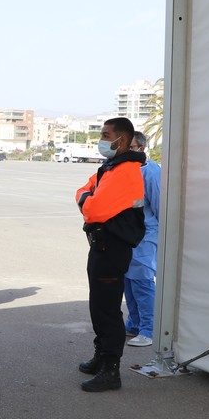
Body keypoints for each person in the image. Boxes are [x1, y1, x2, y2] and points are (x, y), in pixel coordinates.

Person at [75, 117, 146, 392]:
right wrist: (86, 197)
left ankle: (110, 369)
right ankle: (100, 354)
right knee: (98, 305)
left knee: (107, 309)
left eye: (107, 135)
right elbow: (84, 189)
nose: (102, 140)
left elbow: (92, 208)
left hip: (113, 247)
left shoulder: (126, 170)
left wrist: (85, 199)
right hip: (101, 245)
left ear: (123, 140)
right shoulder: (111, 166)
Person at [125, 131, 161, 347]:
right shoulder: (124, 170)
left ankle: (149, 329)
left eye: (132, 148)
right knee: (128, 281)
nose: (128, 152)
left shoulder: (151, 172)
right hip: (127, 236)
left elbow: (159, 206)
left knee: (142, 281)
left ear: (141, 149)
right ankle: (135, 323)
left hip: (145, 236)